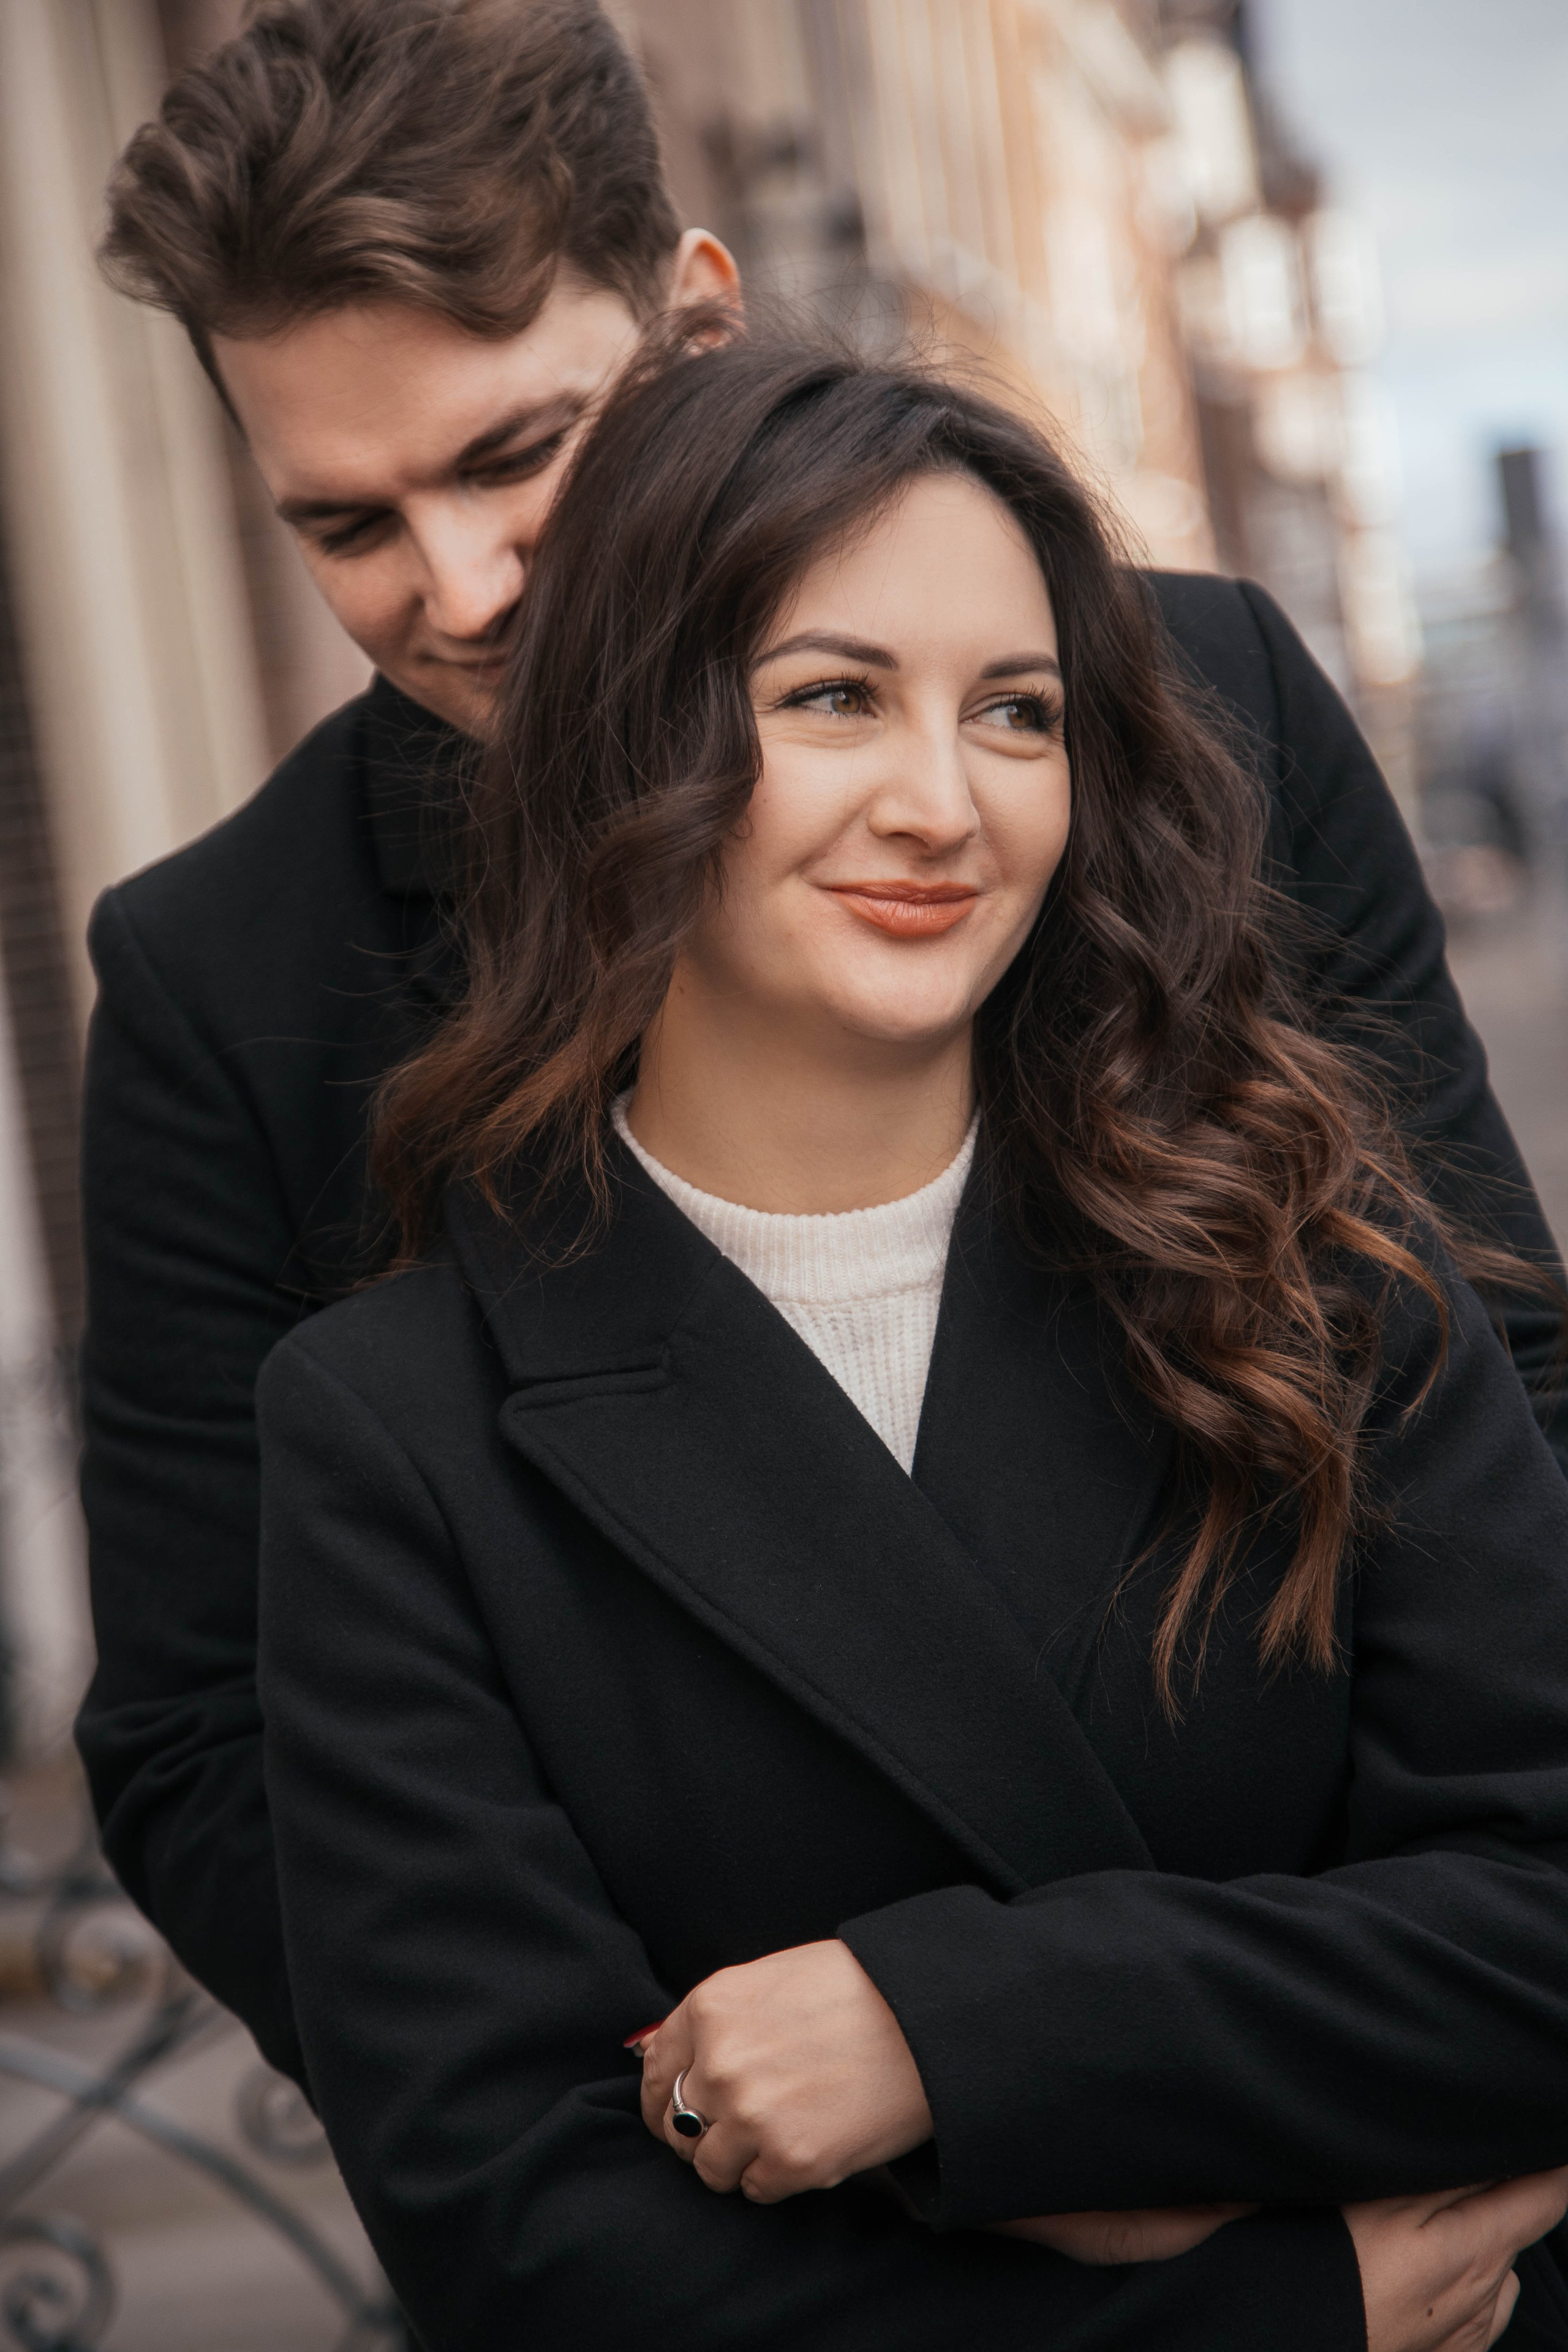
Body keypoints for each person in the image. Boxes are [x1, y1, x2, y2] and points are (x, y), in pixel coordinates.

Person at [77, 0, 1566, 2115]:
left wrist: (1233, 2077)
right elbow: (211, 1747)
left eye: (520, 453)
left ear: (701, 318)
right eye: (348, 526)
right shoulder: (228, 972)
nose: (465, 587)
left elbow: (1508, 1371)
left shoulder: (1187, 691)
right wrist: (724, 2164)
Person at [255, 336, 1568, 2351]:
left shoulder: (1323, 1282)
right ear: (628, 742)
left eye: (1016, 714)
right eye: (833, 698)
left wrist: (947, 2032)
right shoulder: (392, 1438)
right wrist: (1284, 2308)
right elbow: (527, 2240)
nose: (943, 805)